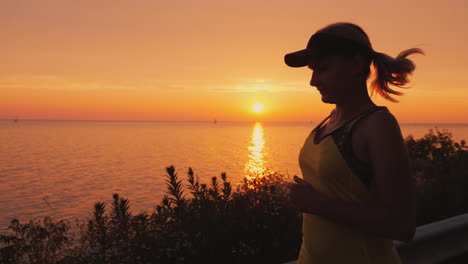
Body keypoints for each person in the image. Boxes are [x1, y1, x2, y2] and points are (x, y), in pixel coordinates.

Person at [284, 22, 423, 263]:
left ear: (357, 64)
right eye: (312, 70)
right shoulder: (329, 121)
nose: (313, 81)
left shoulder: (377, 125)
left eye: (323, 69)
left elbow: (402, 225)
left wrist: (317, 204)